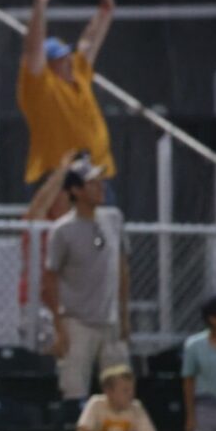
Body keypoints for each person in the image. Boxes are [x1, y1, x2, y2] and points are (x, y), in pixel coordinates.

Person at [42, 156, 129, 401]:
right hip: (76, 322)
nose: (100, 187)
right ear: (75, 190)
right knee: (74, 391)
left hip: (110, 321)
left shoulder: (113, 218)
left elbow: (122, 267)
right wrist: (60, 329)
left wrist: (124, 317)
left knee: (120, 392)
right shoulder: (62, 230)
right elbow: (50, 279)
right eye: (92, 183)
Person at [19, 0, 116, 190]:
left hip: (97, 175)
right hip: (60, 180)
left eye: (67, 56)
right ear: (50, 65)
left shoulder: (78, 74)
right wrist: (40, 7)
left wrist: (105, 12)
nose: (69, 61)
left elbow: (89, 42)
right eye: (62, 60)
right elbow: (33, 50)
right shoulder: (41, 87)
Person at [74, 363, 154, 431]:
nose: (131, 394)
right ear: (109, 391)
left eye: (132, 389)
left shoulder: (136, 408)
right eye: (125, 390)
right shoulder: (95, 404)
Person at [183, 294, 216, 431]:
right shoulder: (194, 345)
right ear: (212, 319)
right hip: (205, 408)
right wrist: (191, 416)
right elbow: (188, 381)